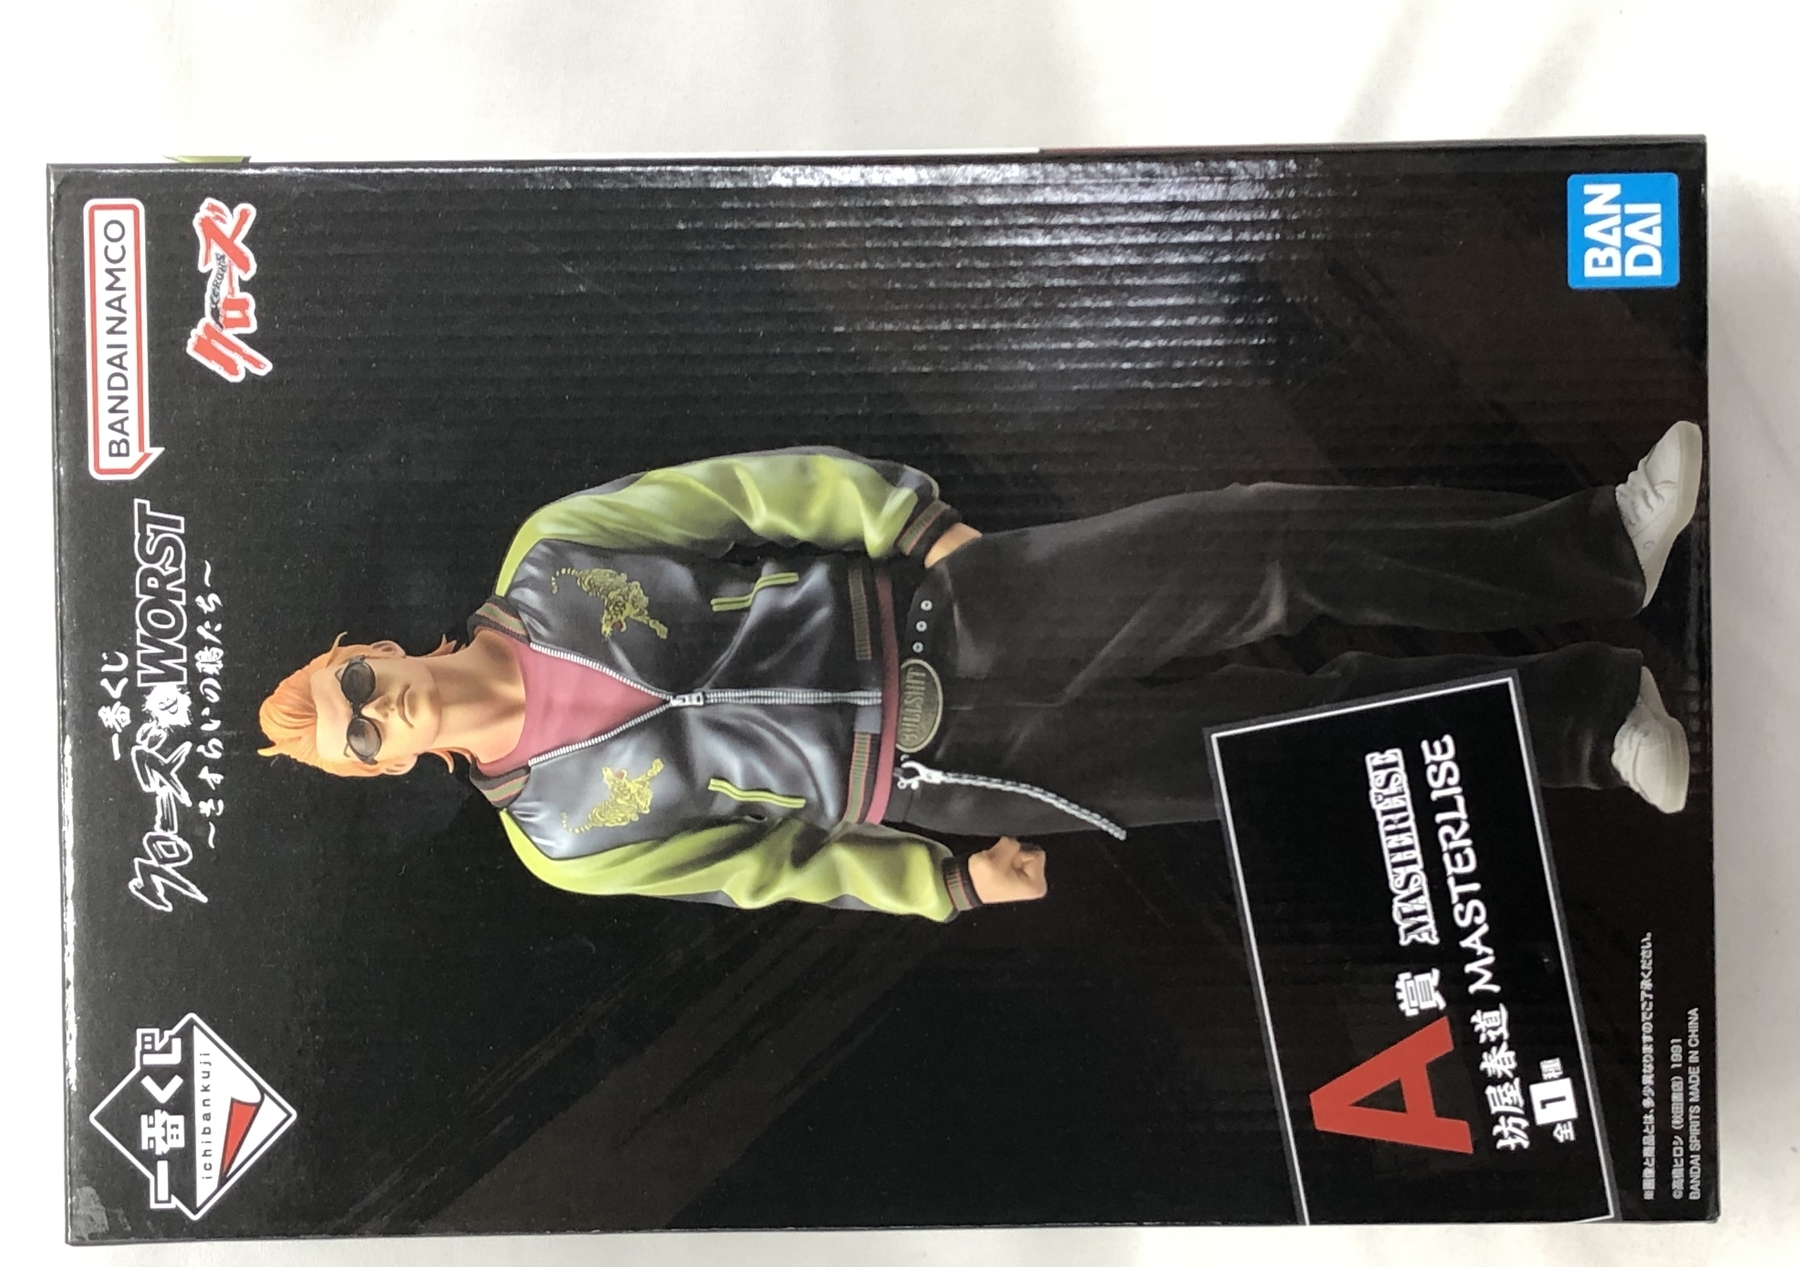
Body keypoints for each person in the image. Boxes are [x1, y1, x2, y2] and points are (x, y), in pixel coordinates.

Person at [259, 426, 1703, 922]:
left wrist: (906, 521)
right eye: (356, 739)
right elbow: (771, 872)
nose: (381, 712)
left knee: (1260, 545)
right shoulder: (562, 838)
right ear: (377, 773)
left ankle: (1599, 552)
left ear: (364, 646)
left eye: (356, 687)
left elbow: (753, 490)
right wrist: (943, 884)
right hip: (946, 778)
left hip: (951, 616)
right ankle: (1590, 723)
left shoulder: (553, 557)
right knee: (1280, 753)